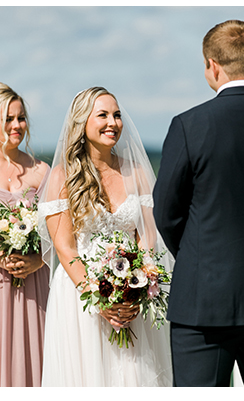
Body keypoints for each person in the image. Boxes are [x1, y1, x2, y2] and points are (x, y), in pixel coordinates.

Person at [154, 19, 244, 387]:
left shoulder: (190, 125)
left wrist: (197, 254)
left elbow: (167, 210)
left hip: (203, 302)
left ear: (212, 66)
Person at [38, 87, 173, 386]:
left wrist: (137, 289)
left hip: (133, 296)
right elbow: (65, 248)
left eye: (117, 115)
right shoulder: (62, 176)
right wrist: (100, 299)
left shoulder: (136, 172)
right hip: (81, 298)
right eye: (103, 115)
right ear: (82, 122)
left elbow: (147, 238)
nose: (113, 122)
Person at [0, 83, 49, 387]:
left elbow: (61, 232)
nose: (17, 125)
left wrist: (38, 259)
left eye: (21, 118)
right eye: (8, 118)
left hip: (34, 287)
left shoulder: (42, 171)